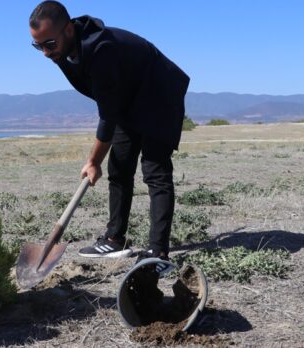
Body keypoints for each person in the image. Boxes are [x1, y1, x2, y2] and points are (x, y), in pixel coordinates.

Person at [29, 1, 190, 267]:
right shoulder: (63, 51)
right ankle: (115, 239)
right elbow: (108, 102)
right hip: (129, 100)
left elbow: (107, 114)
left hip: (160, 96)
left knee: (155, 170)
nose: (45, 53)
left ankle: (158, 252)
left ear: (68, 30)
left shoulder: (101, 49)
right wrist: (100, 159)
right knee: (119, 167)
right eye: (39, 46)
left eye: (49, 44)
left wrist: (93, 162)